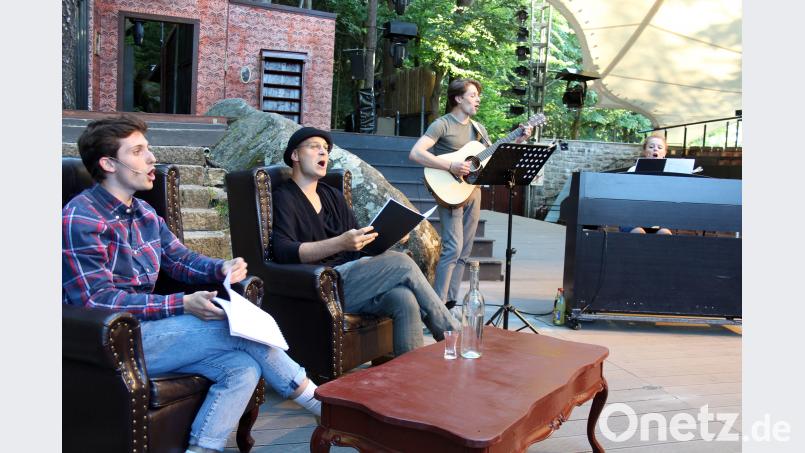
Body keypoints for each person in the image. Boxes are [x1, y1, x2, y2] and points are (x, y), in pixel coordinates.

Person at [62, 115, 321, 453]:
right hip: (111, 342)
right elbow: (95, 300)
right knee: (239, 330)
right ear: (109, 163)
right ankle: (324, 408)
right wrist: (181, 304)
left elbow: (180, 260)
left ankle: (203, 449)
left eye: (148, 148)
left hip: (152, 330)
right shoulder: (81, 218)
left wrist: (221, 267)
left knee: (241, 368)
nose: (152, 158)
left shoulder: (143, 213)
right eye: (138, 151)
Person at [271, 127, 460, 356]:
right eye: (314, 147)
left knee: (403, 298)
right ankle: (452, 335)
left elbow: (356, 249)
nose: (323, 152)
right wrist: (340, 243)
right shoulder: (284, 196)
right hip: (320, 286)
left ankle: (407, 379)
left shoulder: (333, 196)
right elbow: (282, 250)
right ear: (295, 155)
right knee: (401, 262)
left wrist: (387, 236)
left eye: (326, 149)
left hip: (351, 280)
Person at [408, 78, 532, 308]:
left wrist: (519, 139)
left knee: (465, 250)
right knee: (453, 248)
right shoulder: (441, 124)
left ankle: (450, 303)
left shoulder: (479, 129)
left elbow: (491, 156)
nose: (478, 99)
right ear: (458, 98)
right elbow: (416, 153)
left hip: (473, 190)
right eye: (473, 95)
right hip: (450, 190)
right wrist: (450, 166)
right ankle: (437, 305)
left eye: (478, 95)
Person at [623, 134, 672, 235]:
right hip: (632, 217)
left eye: (659, 147)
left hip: (657, 219)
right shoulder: (633, 170)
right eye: (651, 147)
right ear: (645, 151)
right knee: (638, 232)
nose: (655, 150)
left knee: (665, 233)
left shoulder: (671, 172)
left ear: (665, 153)